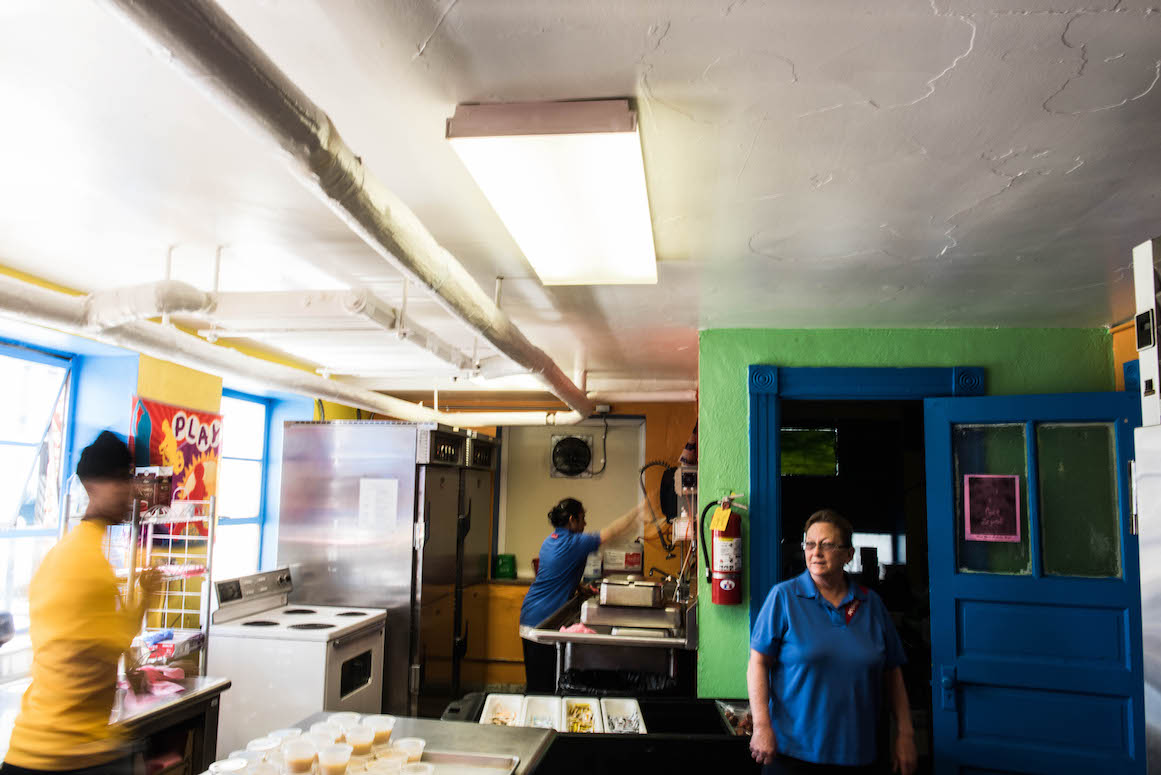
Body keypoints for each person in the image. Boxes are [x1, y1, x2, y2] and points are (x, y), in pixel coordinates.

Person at [3, 431, 161, 775]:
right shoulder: (84, 561)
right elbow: (115, 638)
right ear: (94, 486)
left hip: (41, 748)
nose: (130, 491)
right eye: (122, 480)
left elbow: (85, 640)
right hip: (65, 752)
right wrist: (146, 596)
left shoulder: (68, 552)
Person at [748, 509, 917, 775]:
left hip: (861, 754)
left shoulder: (871, 604)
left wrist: (905, 735)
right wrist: (762, 726)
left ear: (848, 554)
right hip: (793, 753)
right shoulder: (784, 598)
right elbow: (758, 663)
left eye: (827, 545)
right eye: (810, 544)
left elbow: (892, 673)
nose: (816, 552)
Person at [518, 498, 643, 692]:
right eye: (582, 519)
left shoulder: (550, 541)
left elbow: (557, 573)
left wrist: (579, 588)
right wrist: (640, 510)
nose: (585, 524)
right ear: (571, 519)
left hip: (530, 616)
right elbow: (612, 533)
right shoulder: (575, 542)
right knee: (543, 688)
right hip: (542, 623)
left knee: (537, 683)